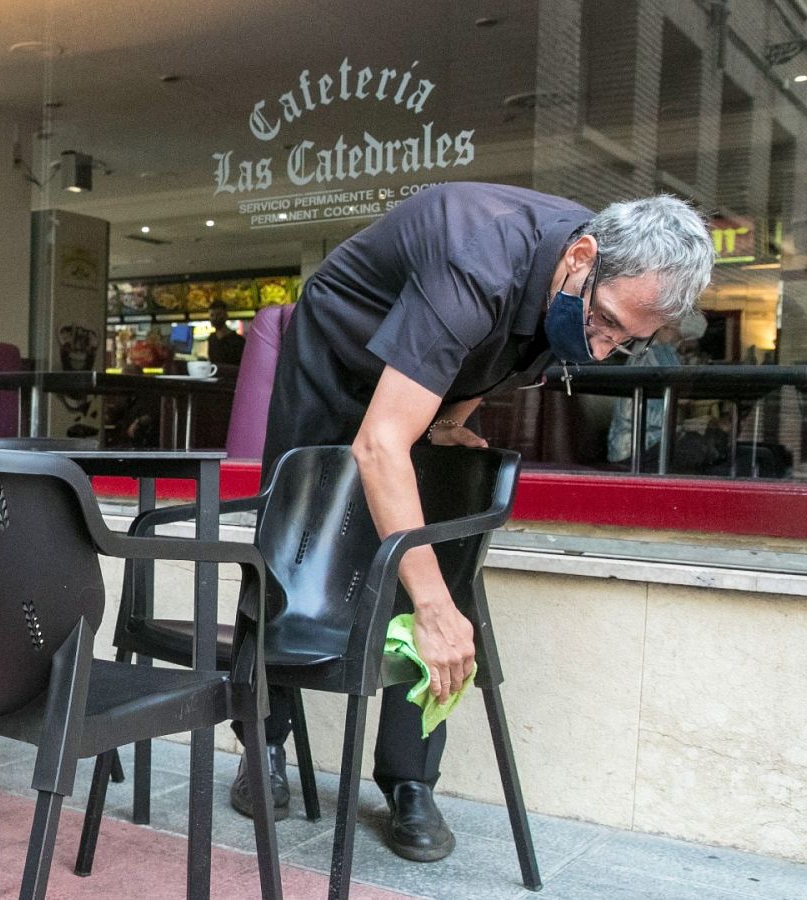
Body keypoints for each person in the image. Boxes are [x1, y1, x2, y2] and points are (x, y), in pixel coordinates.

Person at [237, 183, 713, 864]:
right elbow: (379, 445)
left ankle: (409, 781)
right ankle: (265, 744)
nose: (603, 350)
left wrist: (451, 419)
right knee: (292, 541)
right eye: (604, 324)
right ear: (581, 257)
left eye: (625, 342)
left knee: (436, 549)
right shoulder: (476, 258)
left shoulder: (578, 286)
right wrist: (431, 608)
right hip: (338, 359)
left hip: (435, 371)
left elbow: (501, 357)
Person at [605, 313, 707, 466]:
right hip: (638, 446)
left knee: (702, 444)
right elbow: (681, 396)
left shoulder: (650, 350)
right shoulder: (655, 351)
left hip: (630, 445)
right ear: (665, 326)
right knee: (703, 447)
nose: (677, 341)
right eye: (677, 335)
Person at [205, 299, 246, 367]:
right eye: (212, 315)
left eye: (218, 314)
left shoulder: (238, 341)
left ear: (226, 316)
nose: (215, 318)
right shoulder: (211, 339)